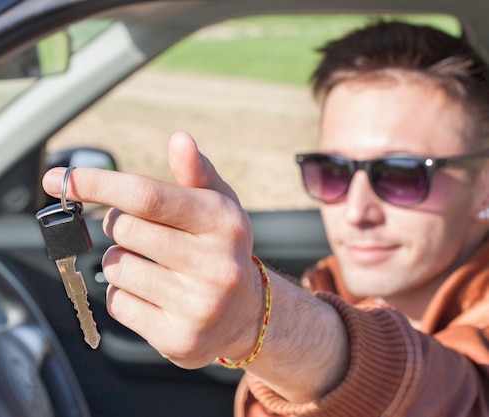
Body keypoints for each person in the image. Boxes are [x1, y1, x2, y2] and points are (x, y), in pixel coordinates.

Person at [42, 20, 489, 416]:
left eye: (400, 175)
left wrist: (261, 321)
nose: (355, 211)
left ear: (483, 185)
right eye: (331, 172)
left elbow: (466, 396)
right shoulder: (328, 287)